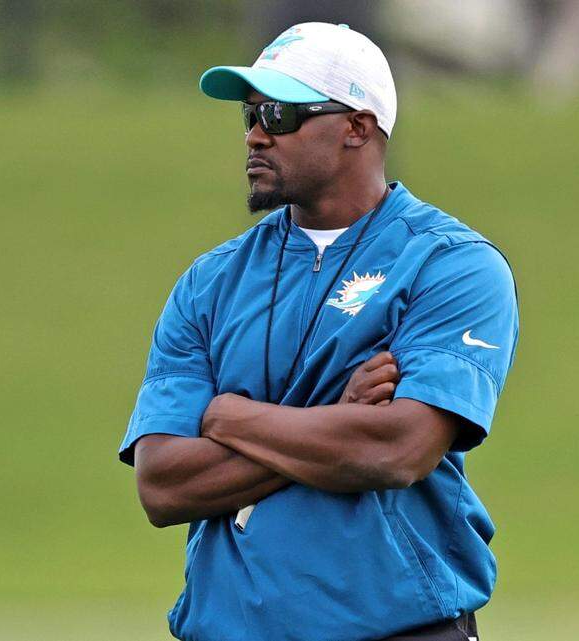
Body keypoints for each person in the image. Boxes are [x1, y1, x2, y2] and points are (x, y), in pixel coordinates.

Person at [118, 22, 519, 641]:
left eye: (279, 114)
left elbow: (397, 449)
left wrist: (229, 418)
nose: (255, 135)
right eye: (250, 115)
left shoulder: (451, 264)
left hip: (399, 630)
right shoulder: (209, 283)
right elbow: (165, 484)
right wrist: (336, 417)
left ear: (357, 127)